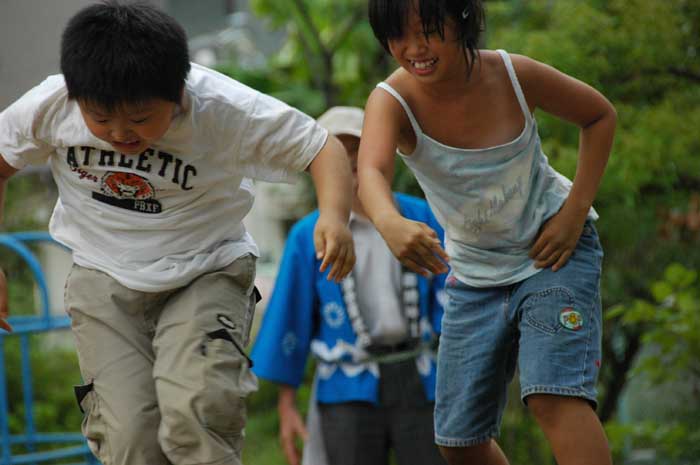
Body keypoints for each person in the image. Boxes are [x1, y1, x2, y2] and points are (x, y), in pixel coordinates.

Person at [0, 2, 355, 465]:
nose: (120, 133)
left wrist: (333, 217)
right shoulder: (52, 103)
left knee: (196, 412)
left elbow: (321, 148)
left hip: (206, 269)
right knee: (129, 440)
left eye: (141, 118)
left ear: (178, 92)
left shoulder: (222, 108)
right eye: (101, 120)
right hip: (103, 274)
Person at [358, 1, 617, 465]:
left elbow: (599, 115)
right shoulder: (392, 99)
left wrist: (575, 210)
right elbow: (371, 171)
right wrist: (389, 221)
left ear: (460, 19)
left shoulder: (515, 76)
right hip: (475, 275)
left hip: (551, 254)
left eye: (428, 31)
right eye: (398, 36)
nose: (414, 48)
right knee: (458, 441)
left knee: (551, 394)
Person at [251, 106, 447, 465]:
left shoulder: (422, 217)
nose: (352, 178)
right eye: (338, 167)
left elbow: (452, 298)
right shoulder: (307, 236)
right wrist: (286, 404)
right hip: (346, 385)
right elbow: (289, 318)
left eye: (359, 162)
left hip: (424, 377)